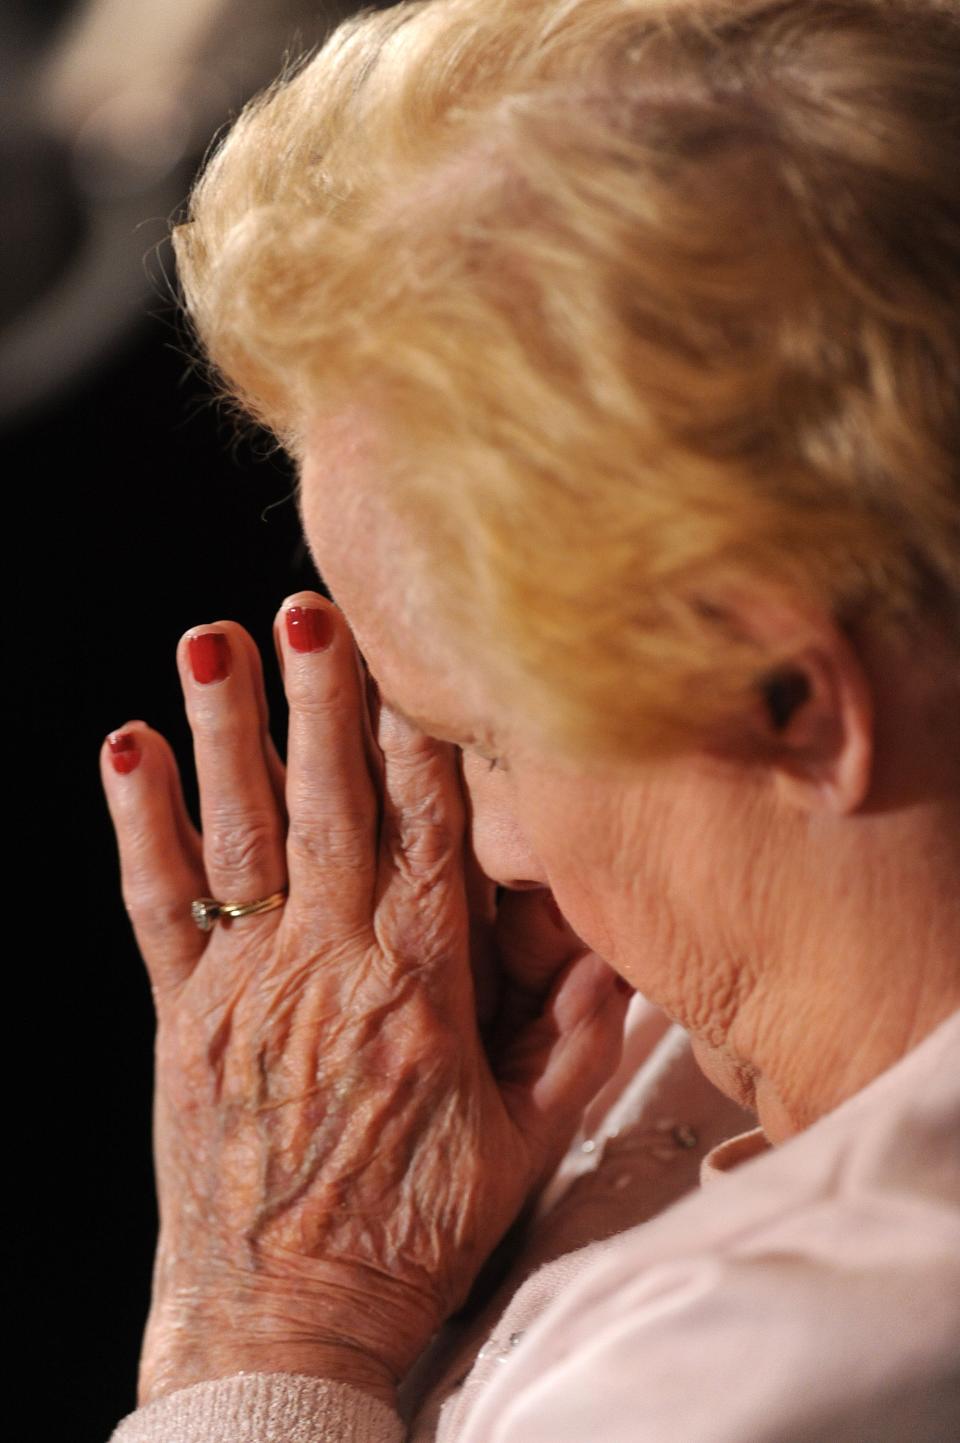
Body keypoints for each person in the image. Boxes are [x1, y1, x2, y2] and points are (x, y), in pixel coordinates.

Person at [102, 0, 960, 1438]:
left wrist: (265, 1330)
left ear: (794, 698)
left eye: (487, 739)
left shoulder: (770, 1375)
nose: (487, 851)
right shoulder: (683, 1009)